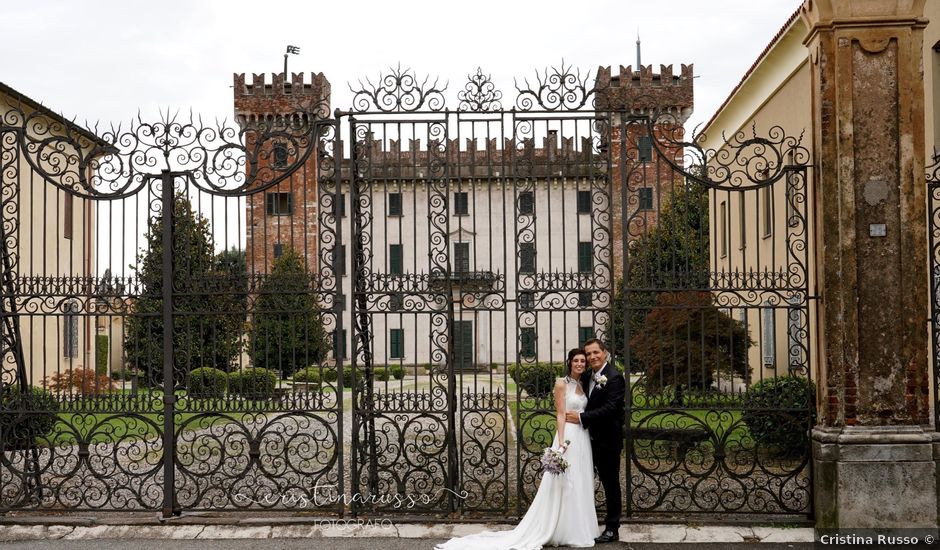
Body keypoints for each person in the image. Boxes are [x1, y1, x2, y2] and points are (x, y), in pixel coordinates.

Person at [434, 348, 600, 549]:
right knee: (566, 482)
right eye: (576, 360)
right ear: (569, 362)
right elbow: (560, 414)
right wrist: (562, 443)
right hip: (569, 437)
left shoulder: (584, 383)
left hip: (582, 437)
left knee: (581, 480)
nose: (580, 364)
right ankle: (562, 528)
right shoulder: (561, 383)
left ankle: (581, 527)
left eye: (583, 360)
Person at [565, 338, 625, 543]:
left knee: (610, 483)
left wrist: (582, 418)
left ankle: (612, 528)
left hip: (608, 441)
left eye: (595, 353)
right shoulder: (588, 376)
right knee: (578, 482)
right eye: (588, 354)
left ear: (605, 353)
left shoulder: (614, 377)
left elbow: (611, 408)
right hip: (586, 440)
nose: (591, 357)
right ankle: (576, 524)